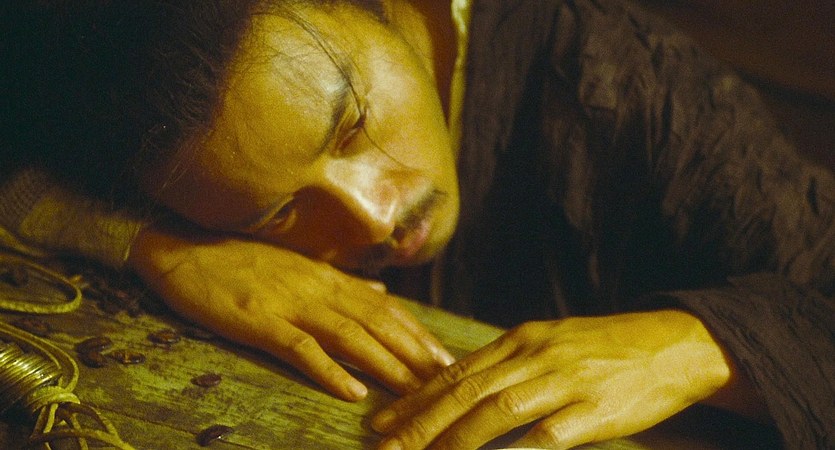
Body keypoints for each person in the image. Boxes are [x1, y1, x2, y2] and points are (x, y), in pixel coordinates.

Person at [1, 0, 832, 449]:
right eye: (279, 213)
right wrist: (160, 246)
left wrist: (693, 346)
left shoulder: (616, 82)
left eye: (350, 125)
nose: (372, 215)